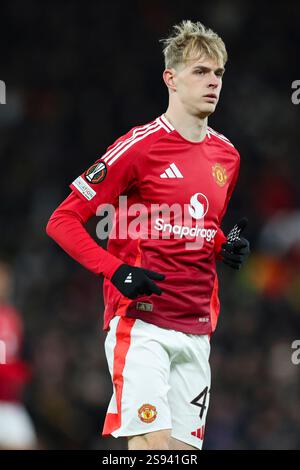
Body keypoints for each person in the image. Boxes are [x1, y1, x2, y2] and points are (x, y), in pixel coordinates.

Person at [46, 20, 250, 450]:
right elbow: (61, 221)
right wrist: (115, 270)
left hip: (196, 329)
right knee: (151, 447)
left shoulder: (227, 156)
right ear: (170, 79)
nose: (213, 82)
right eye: (200, 71)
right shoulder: (138, 146)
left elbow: (197, 225)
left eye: (218, 73)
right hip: (142, 326)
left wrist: (221, 245)